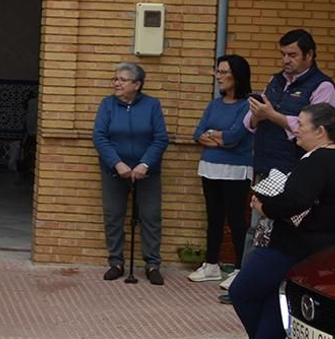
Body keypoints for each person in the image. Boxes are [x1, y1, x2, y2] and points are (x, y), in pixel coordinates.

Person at [219, 103, 335, 339]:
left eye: (301, 126)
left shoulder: (316, 160)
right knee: (274, 304)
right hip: (318, 246)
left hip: (291, 245)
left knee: (242, 291)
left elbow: (295, 200)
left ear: (320, 131)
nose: (296, 132)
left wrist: (265, 207)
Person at [229, 29, 335, 298]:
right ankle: (247, 283)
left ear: (309, 55)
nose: (286, 60)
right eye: (283, 54)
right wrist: (258, 115)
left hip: (294, 168)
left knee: (284, 229)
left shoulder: (322, 85)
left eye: (292, 55)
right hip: (265, 164)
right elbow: (249, 122)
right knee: (256, 226)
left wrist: (272, 115)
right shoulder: (276, 80)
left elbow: (319, 128)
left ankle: (282, 287)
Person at [92, 61, 170, 284]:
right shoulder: (107, 105)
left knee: (150, 216)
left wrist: (144, 164)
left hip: (147, 173)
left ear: (137, 84)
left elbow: (160, 138)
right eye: (115, 79)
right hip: (115, 172)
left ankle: (152, 265)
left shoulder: (152, 105)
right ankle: (116, 262)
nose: (116, 83)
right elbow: (99, 136)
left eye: (122, 80)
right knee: (113, 216)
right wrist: (117, 163)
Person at [187, 54, 253, 282]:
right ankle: (211, 264)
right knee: (214, 218)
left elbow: (235, 137)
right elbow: (198, 133)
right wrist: (220, 138)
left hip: (236, 170)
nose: (219, 76)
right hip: (209, 167)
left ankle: (240, 269)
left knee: (236, 219)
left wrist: (216, 137)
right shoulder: (214, 104)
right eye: (218, 71)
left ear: (238, 75)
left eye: (224, 72)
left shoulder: (247, 105)